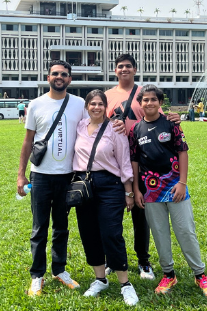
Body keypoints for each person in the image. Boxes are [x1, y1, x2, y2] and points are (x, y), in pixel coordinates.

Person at [17, 60, 127, 297]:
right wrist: (20, 175)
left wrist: (119, 124)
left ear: (70, 79)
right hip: (40, 176)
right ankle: (37, 275)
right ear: (48, 77)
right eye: (55, 73)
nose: (59, 77)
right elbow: (28, 141)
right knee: (39, 228)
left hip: (69, 176)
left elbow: (99, 121)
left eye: (64, 74)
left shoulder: (79, 104)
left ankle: (59, 269)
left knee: (61, 226)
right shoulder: (36, 105)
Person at [128, 85, 207, 298]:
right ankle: (168, 274)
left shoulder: (171, 123)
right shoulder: (136, 130)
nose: (149, 103)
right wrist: (135, 191)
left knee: (185, 230)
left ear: (160, 102)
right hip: (150, 191)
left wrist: (182, 183)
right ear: (140, 104)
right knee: (159, 234)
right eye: (145, 100)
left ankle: (200, 274)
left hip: (175, 187)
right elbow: (134, 162)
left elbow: (182, 152)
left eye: (153, 99)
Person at [106, 53, 181, 281]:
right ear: (115, 70)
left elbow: (160, 119)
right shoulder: (108, 95)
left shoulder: (145, 94)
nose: (124, 69)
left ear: (135, 69)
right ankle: (113, 260)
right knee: (112, 213)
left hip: (142, 161)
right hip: (113, 162)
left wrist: (176, 118)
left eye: (128, 66)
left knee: (141, 214)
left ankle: (143, 261)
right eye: (120, 66)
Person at [73, 90, 139, 306]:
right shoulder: (80, 127)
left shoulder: (115, 129)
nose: (96, 107)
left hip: (110, 185)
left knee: (112, 233)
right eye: (92, 104)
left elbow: (124, 162)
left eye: (100, 104)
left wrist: (128, 192)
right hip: (84, 186)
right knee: (88, 233)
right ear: (87, 106)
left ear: (105, 106)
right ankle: (100, 279)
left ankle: (125, 284)